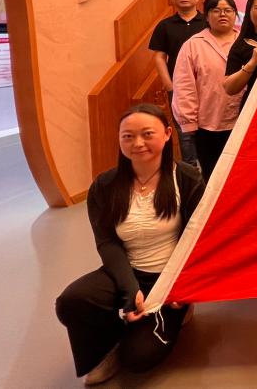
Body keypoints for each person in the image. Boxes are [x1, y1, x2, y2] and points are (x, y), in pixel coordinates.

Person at [55, 104, 205, 384]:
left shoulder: (186, 178)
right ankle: (106, 348)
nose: (138, 143)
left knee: (138, 358)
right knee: (72, 301)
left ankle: (181, 312)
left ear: (167, 134)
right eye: (128, 136)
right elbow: (107, 242)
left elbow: (197, 237)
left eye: (147, 134)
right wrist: (129, 291)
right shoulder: (105, 185)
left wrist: (185, 286)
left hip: (168, 279)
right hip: (126, 271)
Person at [172, 0, 243, 182]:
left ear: (235, 14)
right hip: (208, 123)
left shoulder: (246, 42)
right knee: (212, 176)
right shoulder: (193, 45)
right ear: (207, 15)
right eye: (216, 10)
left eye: (228, 10)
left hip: (242, 122)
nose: (222, 14)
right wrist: (188, 121)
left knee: (239, 176)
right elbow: (184, 86)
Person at [148, 0, 205, 168]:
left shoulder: (208, 22)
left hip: (206, 86)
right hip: (179, 88)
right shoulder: (165, 25)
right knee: (185, 134)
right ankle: (190, 173)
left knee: (208, 129)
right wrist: (169, 85)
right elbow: (159, 57)